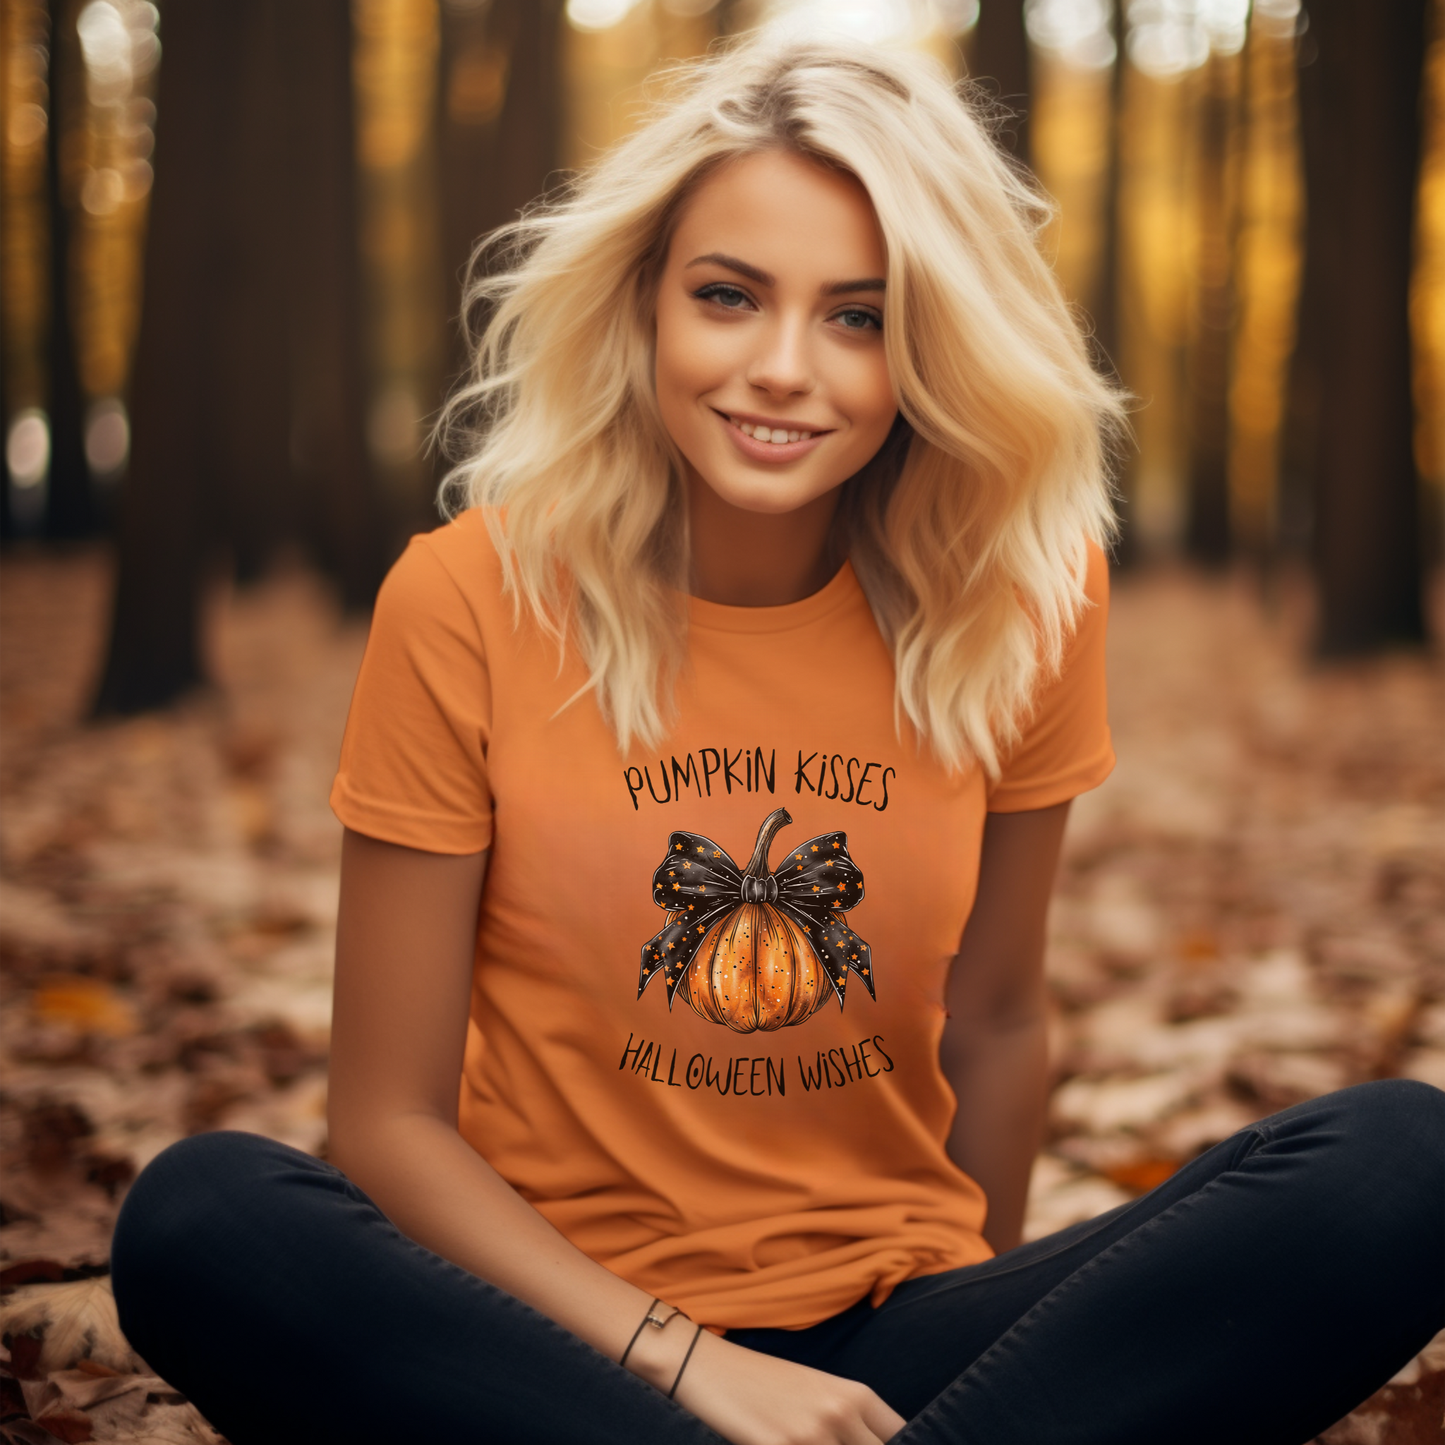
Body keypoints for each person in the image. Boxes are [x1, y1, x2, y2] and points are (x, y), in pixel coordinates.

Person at [111, 33, 1441, 1445]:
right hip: (553, 1339)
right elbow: (388, 1125)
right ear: (646, 305)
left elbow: (996, 1020)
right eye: (730, 297)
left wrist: (985, 1370)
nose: (784, 369)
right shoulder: (466, 600)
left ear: (930, 341)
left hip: (891, 1329)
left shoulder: (1022, 606)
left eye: (859, 317)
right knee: (202, 1216)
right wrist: (693, 1366)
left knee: (1403, 1163)